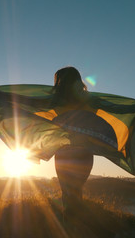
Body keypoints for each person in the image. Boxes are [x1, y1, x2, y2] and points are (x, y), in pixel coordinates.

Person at [52, 67, 94, 220]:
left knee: (69, 192)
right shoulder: (89, 99)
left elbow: (28, 101)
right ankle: (75, 226)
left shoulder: (56, 100)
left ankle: (72, 225)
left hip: (67, 152)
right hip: (83, 152)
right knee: (74, 192)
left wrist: (0, 95)